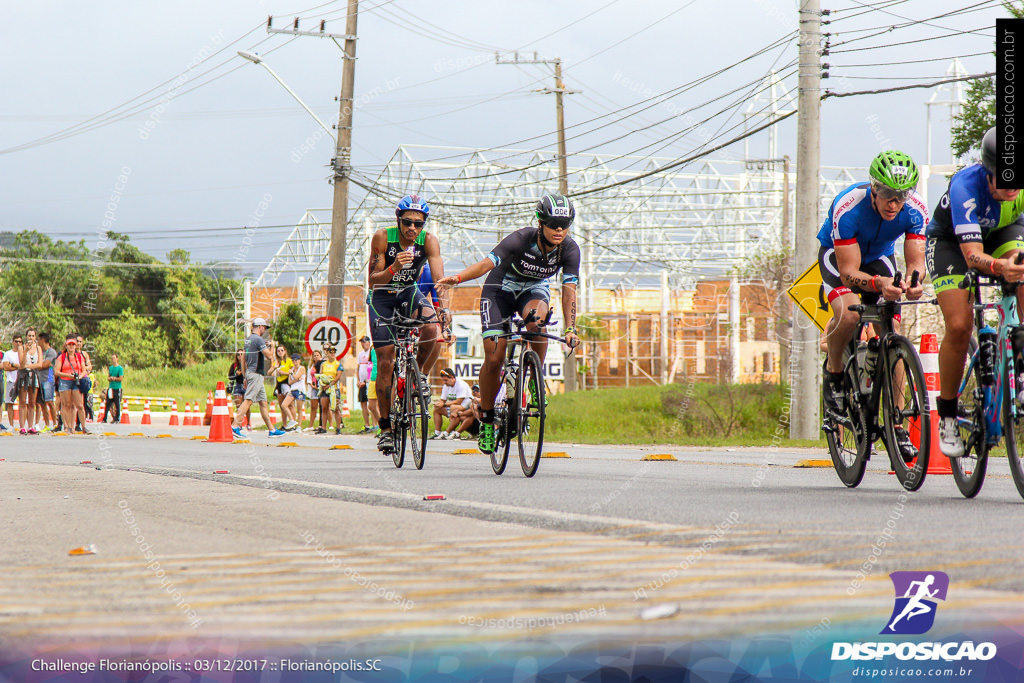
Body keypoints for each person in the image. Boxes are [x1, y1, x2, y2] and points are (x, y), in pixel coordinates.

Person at [439, 193, 581, 454]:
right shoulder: (521, 238)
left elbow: (569, 290)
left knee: (537, 323)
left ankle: (534, 380)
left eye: (565, 224)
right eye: (552, 223)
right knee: (494, 357)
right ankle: (488, 420)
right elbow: (486, 263)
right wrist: (457, 279)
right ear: (541, 222)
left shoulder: (570, 249)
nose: (559, 230)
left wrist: (571, 327)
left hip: (533, 289)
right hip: (499, 289)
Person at [816, 150, 927, 460]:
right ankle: (835, 372)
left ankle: (896, 423)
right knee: (850, 314)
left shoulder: (915, 208)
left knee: (892, 327)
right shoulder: (848, 206)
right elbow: (849, 273)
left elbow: (916, 259)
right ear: (874, 189)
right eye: (889, 195)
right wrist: (879, 285)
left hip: (878, 256)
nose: (895, 204)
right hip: (839, 258)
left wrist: (914, 282)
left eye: (902, 196)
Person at [926, 126, 1024, 457]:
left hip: (1003, 231)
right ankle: (949, 415)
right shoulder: (965, 186)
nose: (1012, 186)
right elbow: (972, 256)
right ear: (989, 172)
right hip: (952, 243)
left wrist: (1010, 266)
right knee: (958, 325)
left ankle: (1019, 368)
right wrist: (999, 268)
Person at [366, 194, 450, 454]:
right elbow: (373, 282)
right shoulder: (383, 237)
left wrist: (445, 310)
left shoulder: (429, 242)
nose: (413, 228)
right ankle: (386, 430)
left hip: (408, 291)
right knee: (387, 362)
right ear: (398, 220)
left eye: (418, 223)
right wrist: (394, 267)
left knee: (431, 326)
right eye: (407, 222)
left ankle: (420, 375)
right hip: (382, 298)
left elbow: (439, 282)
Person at [230, 318, 285, 439]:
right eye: (264, 327)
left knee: (263, 403)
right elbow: (269, 355)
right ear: (259, 326)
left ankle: (271, 429)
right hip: (256, 374)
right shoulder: (258, 339)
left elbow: (243, 358)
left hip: (252, 373)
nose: (264, 330)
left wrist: (245, 376)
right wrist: (272, 346)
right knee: (248, 400)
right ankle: (235, 425)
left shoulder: (249, 340)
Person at [54, 334, 88, 435]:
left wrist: (80, 376)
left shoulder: (79, 356)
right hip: (65, 381)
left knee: (79, 405)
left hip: (76, 381)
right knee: (66, 405)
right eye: (70, 345)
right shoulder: (62, 357)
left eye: (73, 344)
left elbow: (83, 369)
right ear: (66, 346)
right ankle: (67, 426)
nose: (72, 346)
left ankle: (83, 427)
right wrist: (68, 375)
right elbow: (56, 371)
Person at [431, 367, 472, 439]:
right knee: (437, 409)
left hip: (465, 408)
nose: (444, 382)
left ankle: (450, 432)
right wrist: (438, 403)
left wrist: (443, 404)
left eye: (446, 380)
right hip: (454, 408)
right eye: (443, 380)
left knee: (454, 407)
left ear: (452, 378)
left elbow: (459, 401)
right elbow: (442, 400)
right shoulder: (446, 386)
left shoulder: (461, 384)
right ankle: (437, 432)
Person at [316, 342, 343, 435]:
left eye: (334, 352)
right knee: (324, 408)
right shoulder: (323, 364)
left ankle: (338, 427)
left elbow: (338, 376)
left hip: (334, 388)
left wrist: (330, 384)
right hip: (325, 387)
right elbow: (321, 374)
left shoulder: (338, 364)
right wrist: (322, 384)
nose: (332, 353)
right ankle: (323, 427)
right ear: (327, 353)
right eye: (330, 351)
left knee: (336, 408)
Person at [17, 328, 40, 434]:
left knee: (32, 402)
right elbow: (21, 365)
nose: (31, 338)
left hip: (34, 376)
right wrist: (25, 350)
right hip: (24, 376)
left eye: (33, 336)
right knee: (22, 402)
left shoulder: (38, 348)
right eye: (29, 336)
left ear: (35, 337)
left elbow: (40, 364)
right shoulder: (21, 348)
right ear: (26, 337)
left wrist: (29, 366)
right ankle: (22, 426)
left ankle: (31, 426)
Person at [32, 332, 56, 432]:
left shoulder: (51, 352)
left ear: (43, 340)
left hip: (48, 379)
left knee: (49, 402)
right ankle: (47, 424)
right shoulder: (39, 351)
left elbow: (45, 364)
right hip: (39, 379)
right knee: (41, 403)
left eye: (39, 340)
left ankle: (55, 423)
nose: (38, 342)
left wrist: (37, 365)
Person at [269, 343, 296, 429]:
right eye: (278, 351)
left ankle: (293, 423)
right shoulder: (276, 361)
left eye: (282, 350)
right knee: (282, 406)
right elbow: (269, 372)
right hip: (279, 384)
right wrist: (274, 368)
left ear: (285, 351)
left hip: (287, 383)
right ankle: (284, 425)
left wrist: (282, 372)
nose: (280, 352)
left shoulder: (288, 361)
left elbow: (292, 371)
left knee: (290, 405)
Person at [2, 334, 23, 431]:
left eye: (20, 342)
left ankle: (22, 425)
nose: (18, 343)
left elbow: (24, 365)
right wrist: (16, 365)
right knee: (9, 403)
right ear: (13, 342)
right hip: (11, 380)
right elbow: (6, 367)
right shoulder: (8, 354)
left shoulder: (23, 353)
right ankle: (11, 425)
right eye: (16, 341)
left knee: (23, 403)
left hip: (22, 381)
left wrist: (13, 365)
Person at [356, 335, 376, 433]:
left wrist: (365, 381)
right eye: (362, 342)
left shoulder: (372, 353)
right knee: (363, 403)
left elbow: (372, 367)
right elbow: (358, 368)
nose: (363, 344)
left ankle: (375, 424)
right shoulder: (360, 354)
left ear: (368, 342)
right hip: (362, 382)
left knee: (372, 404)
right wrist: (358, 380)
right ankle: (367, 424)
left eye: (364, 342)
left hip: (369, 381)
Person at [282, 353, 304, 431]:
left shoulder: (302, 368)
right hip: (293, 389)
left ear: (299, 361)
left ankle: (299, 426)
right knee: (284, 405)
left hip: (300, 390)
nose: (295, 362)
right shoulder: (291, 369)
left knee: (299, 409)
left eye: (296, 360)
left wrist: (293, 375)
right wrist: (296, 378)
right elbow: (290, 382)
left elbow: (295, 376)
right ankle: (292, 420)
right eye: (293, 360)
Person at [103, 353, 125, 423]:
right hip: (111, 388)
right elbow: (108, 377)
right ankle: (104, 418)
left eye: (114, 358)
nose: (113, 360)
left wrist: (114, 378)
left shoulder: (120, 368)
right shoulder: (111, 368)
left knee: (117, 404)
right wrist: (110, 378)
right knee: (108, 403)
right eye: (112, 358)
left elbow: (121, 378)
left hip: (117, 387)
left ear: (117, 359)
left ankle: (117, 419)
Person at [305, 348, 322, 431]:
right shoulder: (311, 366)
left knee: (324, 407)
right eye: (314, 355)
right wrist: (311, 385)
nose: (316, 357)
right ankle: (311, 425)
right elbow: (308, 378)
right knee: (313, 407)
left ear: (321, 356)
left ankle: (327, 425)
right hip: (314, 388)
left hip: (322, 387)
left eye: (317, 355)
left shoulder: (323, 364)